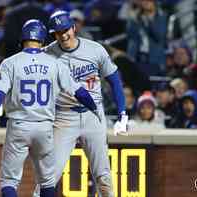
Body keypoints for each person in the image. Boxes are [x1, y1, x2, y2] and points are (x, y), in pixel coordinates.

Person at [0, 19, 98, 197]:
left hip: (19, 126)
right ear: (43, 40)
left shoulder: (10, 62)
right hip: (45, 127)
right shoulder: (55, 63)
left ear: (23, 38)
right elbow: (80, 93)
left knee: (9, 182)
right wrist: (94, 109)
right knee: (47, 182)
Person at [33, 10, 128, 197]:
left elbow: (115, 80)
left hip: (93, 116)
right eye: (59, 32)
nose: (64, 34)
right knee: (49, 174)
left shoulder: (95, 49)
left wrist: (122, 113)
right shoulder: (47, 54)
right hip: (64, 116)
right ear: (54, 34)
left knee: (103, 175)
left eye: (66, 29)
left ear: (74, 28)